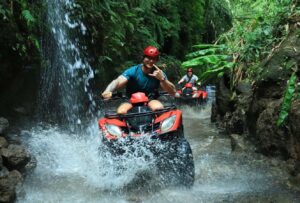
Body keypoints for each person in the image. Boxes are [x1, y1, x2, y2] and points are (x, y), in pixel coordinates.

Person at [101, 45, 176, 114]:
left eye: (154, 59)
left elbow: (172, 91)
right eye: (149, 58)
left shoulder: (159, 73)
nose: (151, 61)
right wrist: (108, 90)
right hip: (130, 100)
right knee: (121, 111)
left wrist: (162, 79)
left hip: (150, 99)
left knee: (158, 108)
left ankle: (158, 127)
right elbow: (117, 81)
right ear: (143, 58)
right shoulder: (133, 71)